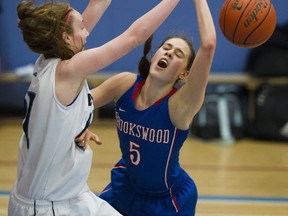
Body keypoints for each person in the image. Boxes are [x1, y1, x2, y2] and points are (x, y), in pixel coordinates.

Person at [8, 0, 181, 215]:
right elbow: (135, 37)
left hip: (69, 198)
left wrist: (76, 124)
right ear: (66, 37)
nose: (87, 31)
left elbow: (97, 4)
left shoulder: (47, 60)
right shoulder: (68, 71)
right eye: (81, 27)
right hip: (47, 207)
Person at [87, 0, 216, 215]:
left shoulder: (180, 106)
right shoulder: (125, 84)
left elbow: (209, 44)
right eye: (166, 48)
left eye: (178, 54)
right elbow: (79, 106)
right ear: (155, 54)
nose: (168, 53)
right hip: (125, 186)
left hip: (167, 200)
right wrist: (80, 125)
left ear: (184, 74)